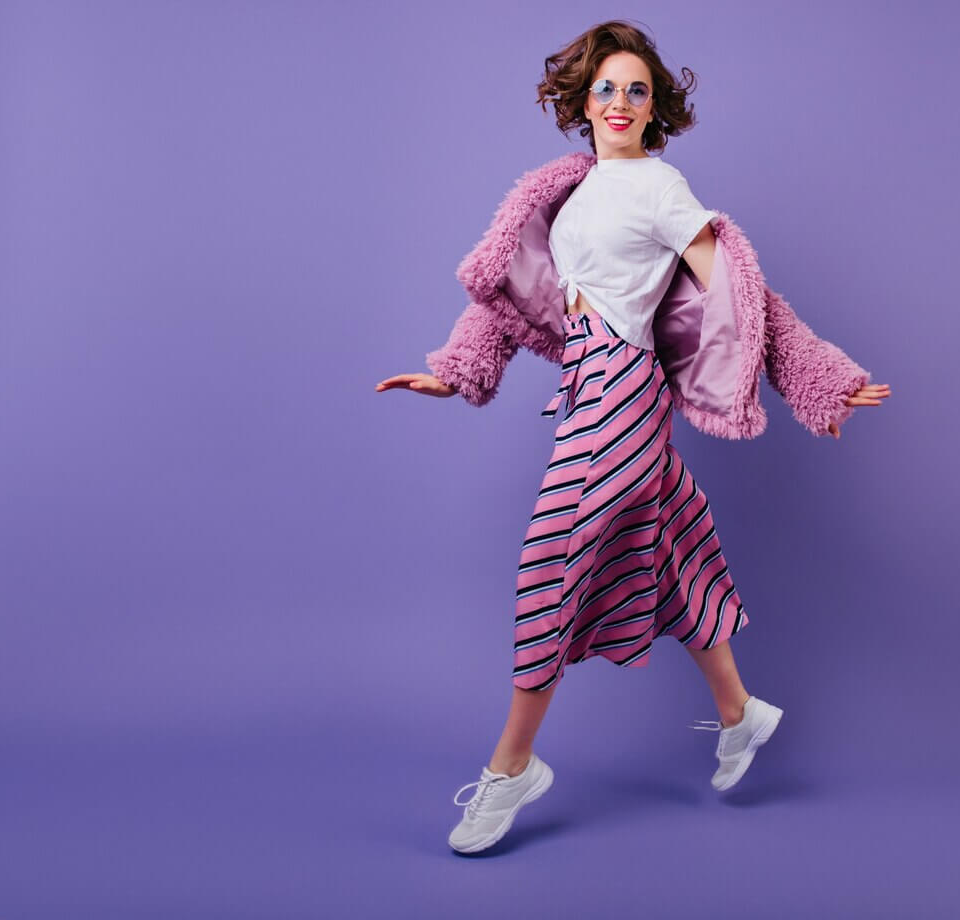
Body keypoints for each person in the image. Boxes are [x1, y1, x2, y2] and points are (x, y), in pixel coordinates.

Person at [376, 20, 889, 854]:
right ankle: (739, 711)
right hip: (587, 384)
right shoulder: (571, 191)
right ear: (584, 101)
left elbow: (744, 297)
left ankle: (512, 766)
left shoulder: (659, 186)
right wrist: (458, 369)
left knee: (553, 558)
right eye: (607, 88)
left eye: (637, 90)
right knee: (670, 547)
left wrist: (816, 377)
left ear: (656, 109)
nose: (620, 102)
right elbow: (514, 293)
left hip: (623, 386)